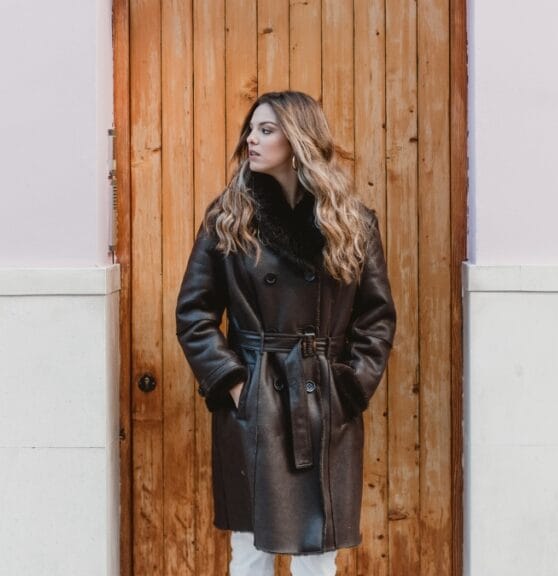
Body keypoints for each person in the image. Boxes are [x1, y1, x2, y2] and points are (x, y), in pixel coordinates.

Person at [175, 90, 397, 576]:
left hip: (323, 400)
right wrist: (236, 384)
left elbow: (376, 318)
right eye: (251, 130)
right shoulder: (229, 218)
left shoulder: (351, 222)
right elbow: (194, 313)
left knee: (318, 557)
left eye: (266, 130)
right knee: (250, 552)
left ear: (298, 139)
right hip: (257, 399)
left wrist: (349, 386)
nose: (251, 140)